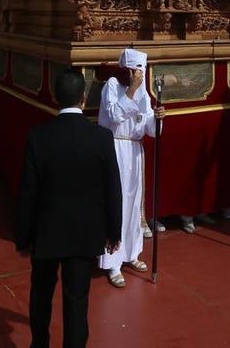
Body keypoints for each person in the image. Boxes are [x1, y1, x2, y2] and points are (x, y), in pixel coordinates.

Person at [15, 68, 123, 348]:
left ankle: (39, 344)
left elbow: (28, 192)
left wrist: (23, 238)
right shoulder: (101, 137)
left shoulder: (38, 136)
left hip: (46, 232)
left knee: (41, 294)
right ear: (84, 97)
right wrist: (114, 232)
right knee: (77, 301)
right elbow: (113, 189)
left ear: (54, 97)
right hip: (84, 232)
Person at [96, 48, 165, 288]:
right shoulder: (112, 85)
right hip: (116, 149)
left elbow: (149, 128)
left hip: (135, 151)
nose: (140, 75)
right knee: (117, 204)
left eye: (142, 71)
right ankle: (113, 261)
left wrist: (158, 118)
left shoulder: (143, 92)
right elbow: (114, 115)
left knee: (135, 203)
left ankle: (132, 252)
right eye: (136, 70)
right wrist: (132, 90)